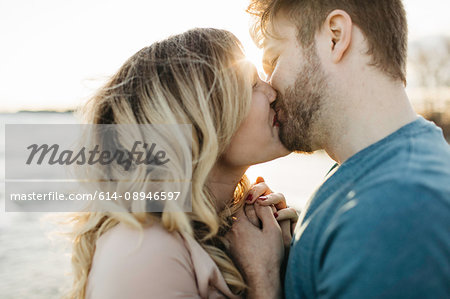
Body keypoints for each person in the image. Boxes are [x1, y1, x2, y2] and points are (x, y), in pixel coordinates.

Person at [227, 0, 450, 298]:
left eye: (273, 61)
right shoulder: (365, 173)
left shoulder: (395, 212)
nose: (269, 89)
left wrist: (263, 280)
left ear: (335, 36)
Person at [65, 28, 298, 299]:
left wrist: (284, 256)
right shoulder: (143, 252)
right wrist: (264, 278)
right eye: (251, 85)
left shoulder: (224, 234)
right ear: (201, 119)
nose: (272, 93)